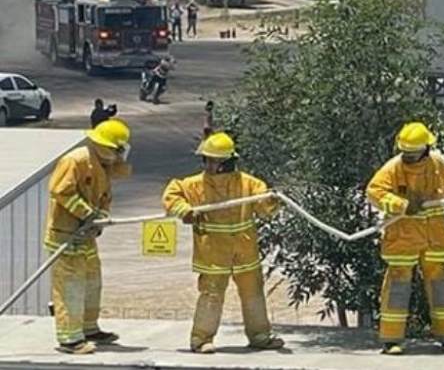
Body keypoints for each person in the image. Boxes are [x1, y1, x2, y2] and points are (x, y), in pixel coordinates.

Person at [162, 132, 285, 354]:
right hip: (213, 256)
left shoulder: (249, 184)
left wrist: (272, 201)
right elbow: (172, 195)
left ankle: (260, 337)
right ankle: (201, 340)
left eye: (213, 160)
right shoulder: (194, 184)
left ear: (226, 162)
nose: (208, 164)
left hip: (245, 254)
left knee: (253, 295)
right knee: (211, 296)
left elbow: (266, 208)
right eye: (206, 159)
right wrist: (184, 211)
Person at [366, 121, 444, 355]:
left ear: (426, 148)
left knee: (441, 288)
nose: (410, 157)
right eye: (406, 153)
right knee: (397, 286)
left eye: (414, 153)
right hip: (403, 237)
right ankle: (391, 340)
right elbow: (374, 192)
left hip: (434, 238)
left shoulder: (437, 162)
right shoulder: (393, 168)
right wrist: (402, 205)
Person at [44, 118, 132, 355]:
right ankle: (70, 339)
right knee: (70, 288)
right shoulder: (76, 160)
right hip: (66, 236)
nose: (120, 154)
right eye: (118, 149)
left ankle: (89, 328)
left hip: (86, 236)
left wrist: (100, 218)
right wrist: (87, 214)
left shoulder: (102, 166)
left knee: (92, 284)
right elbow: (60, 190)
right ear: (107, 146)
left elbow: (105, 198)